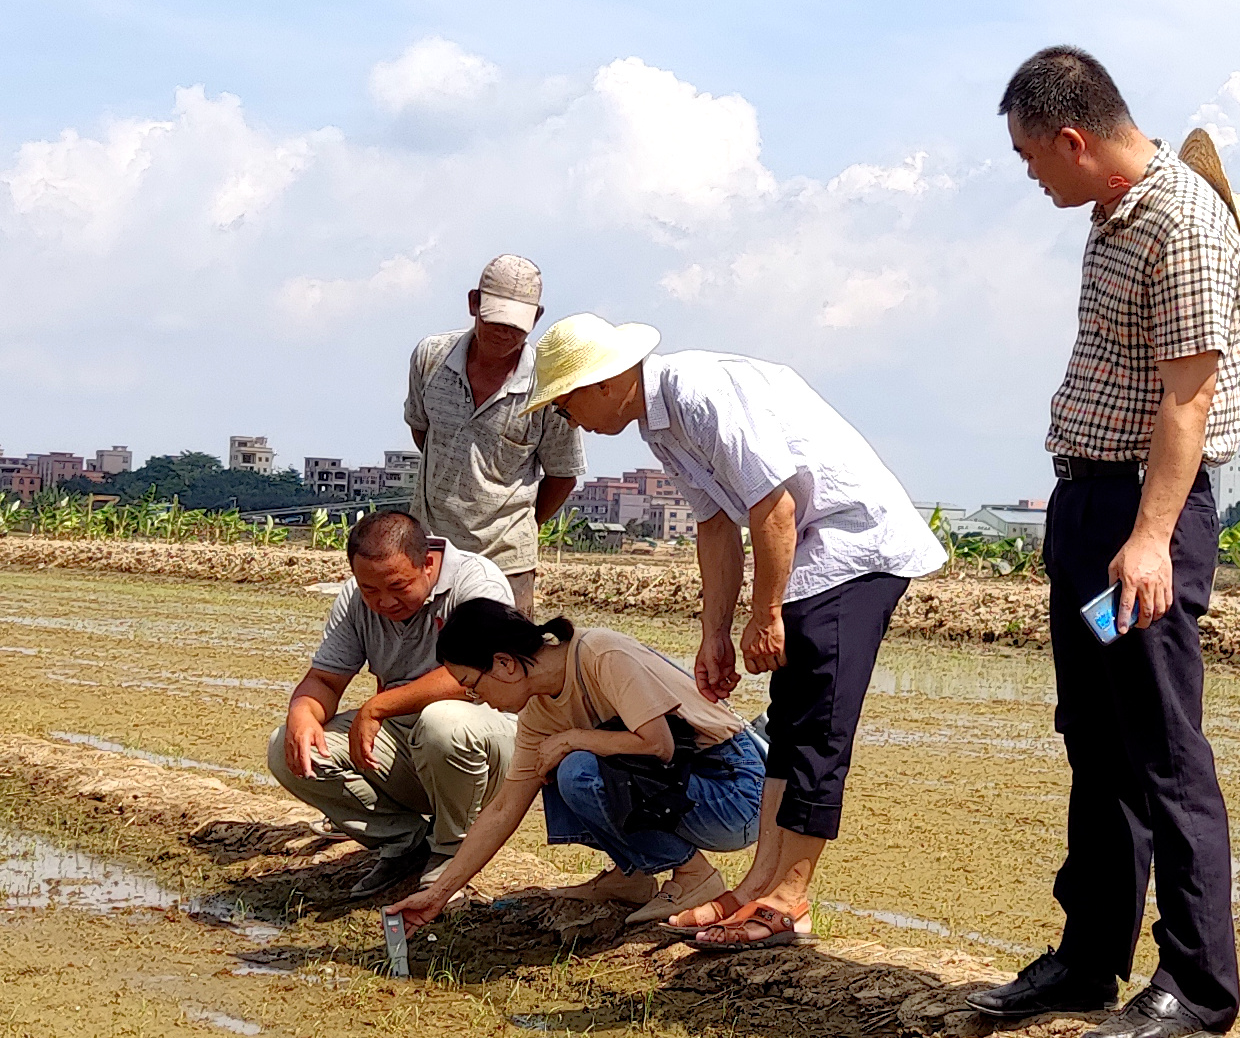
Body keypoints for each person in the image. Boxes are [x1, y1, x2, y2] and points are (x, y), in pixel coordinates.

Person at [963, 47, 1240, 1038]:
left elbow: (1185, 402)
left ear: (1071, 139)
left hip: (1145, 516)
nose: (1029, 177)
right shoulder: (1110, 217)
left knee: (1162, 744)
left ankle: (1197, 980)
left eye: (1027, 159)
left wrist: (1147, 539)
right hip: (1086, 503)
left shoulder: (1182, 225)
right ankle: (1090, 951)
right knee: (1093, 738)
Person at [515, 314, 947, 952]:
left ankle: (790, 896)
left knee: (819, 726)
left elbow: (775, 505)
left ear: (604, 382)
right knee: (792, 717)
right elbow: (717, 523)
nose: (569, 420)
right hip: (808, 554)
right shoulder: (661, 427)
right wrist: (714, 632)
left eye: (567, 402)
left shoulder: (697, 392)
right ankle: (758, 885)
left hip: (853, 545)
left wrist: (766, 614)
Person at [385, 600, 765, 933]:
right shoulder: (538, 712)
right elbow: (503, 808)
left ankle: (695, 877)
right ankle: (630, 877)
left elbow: (658, 746)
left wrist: (573, 739)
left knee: (576, 768)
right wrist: (437, 895)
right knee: (560, 761)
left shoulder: (599, 654)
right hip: (687, 786)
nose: (478, 699)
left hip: (734, 791)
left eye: (472, 685)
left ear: (504, 664)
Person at [268, 509, 521, 899]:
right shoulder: (355, 599)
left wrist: (378, 706)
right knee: (288, 747)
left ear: (428, 563)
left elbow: (474, 673)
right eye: (370, 590)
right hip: (405, 737)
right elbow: (324, 680)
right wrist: (302, 712)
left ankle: (454, 850)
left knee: (444, 722)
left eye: (397, 586)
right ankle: (404, 842)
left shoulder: (477, 583)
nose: (384, 601)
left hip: (482, 739)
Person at [404, 254, 586, 616]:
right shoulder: (431, 358)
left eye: (517, 325)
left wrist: (518, 526)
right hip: (430, 549)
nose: (505, 333)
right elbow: (423, 433)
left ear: (536, 318)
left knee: (502, 666)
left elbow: (563, 475)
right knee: (417, 663)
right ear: (474, 303)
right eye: (497, 320)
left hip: (507, 561)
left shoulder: (549, 388)